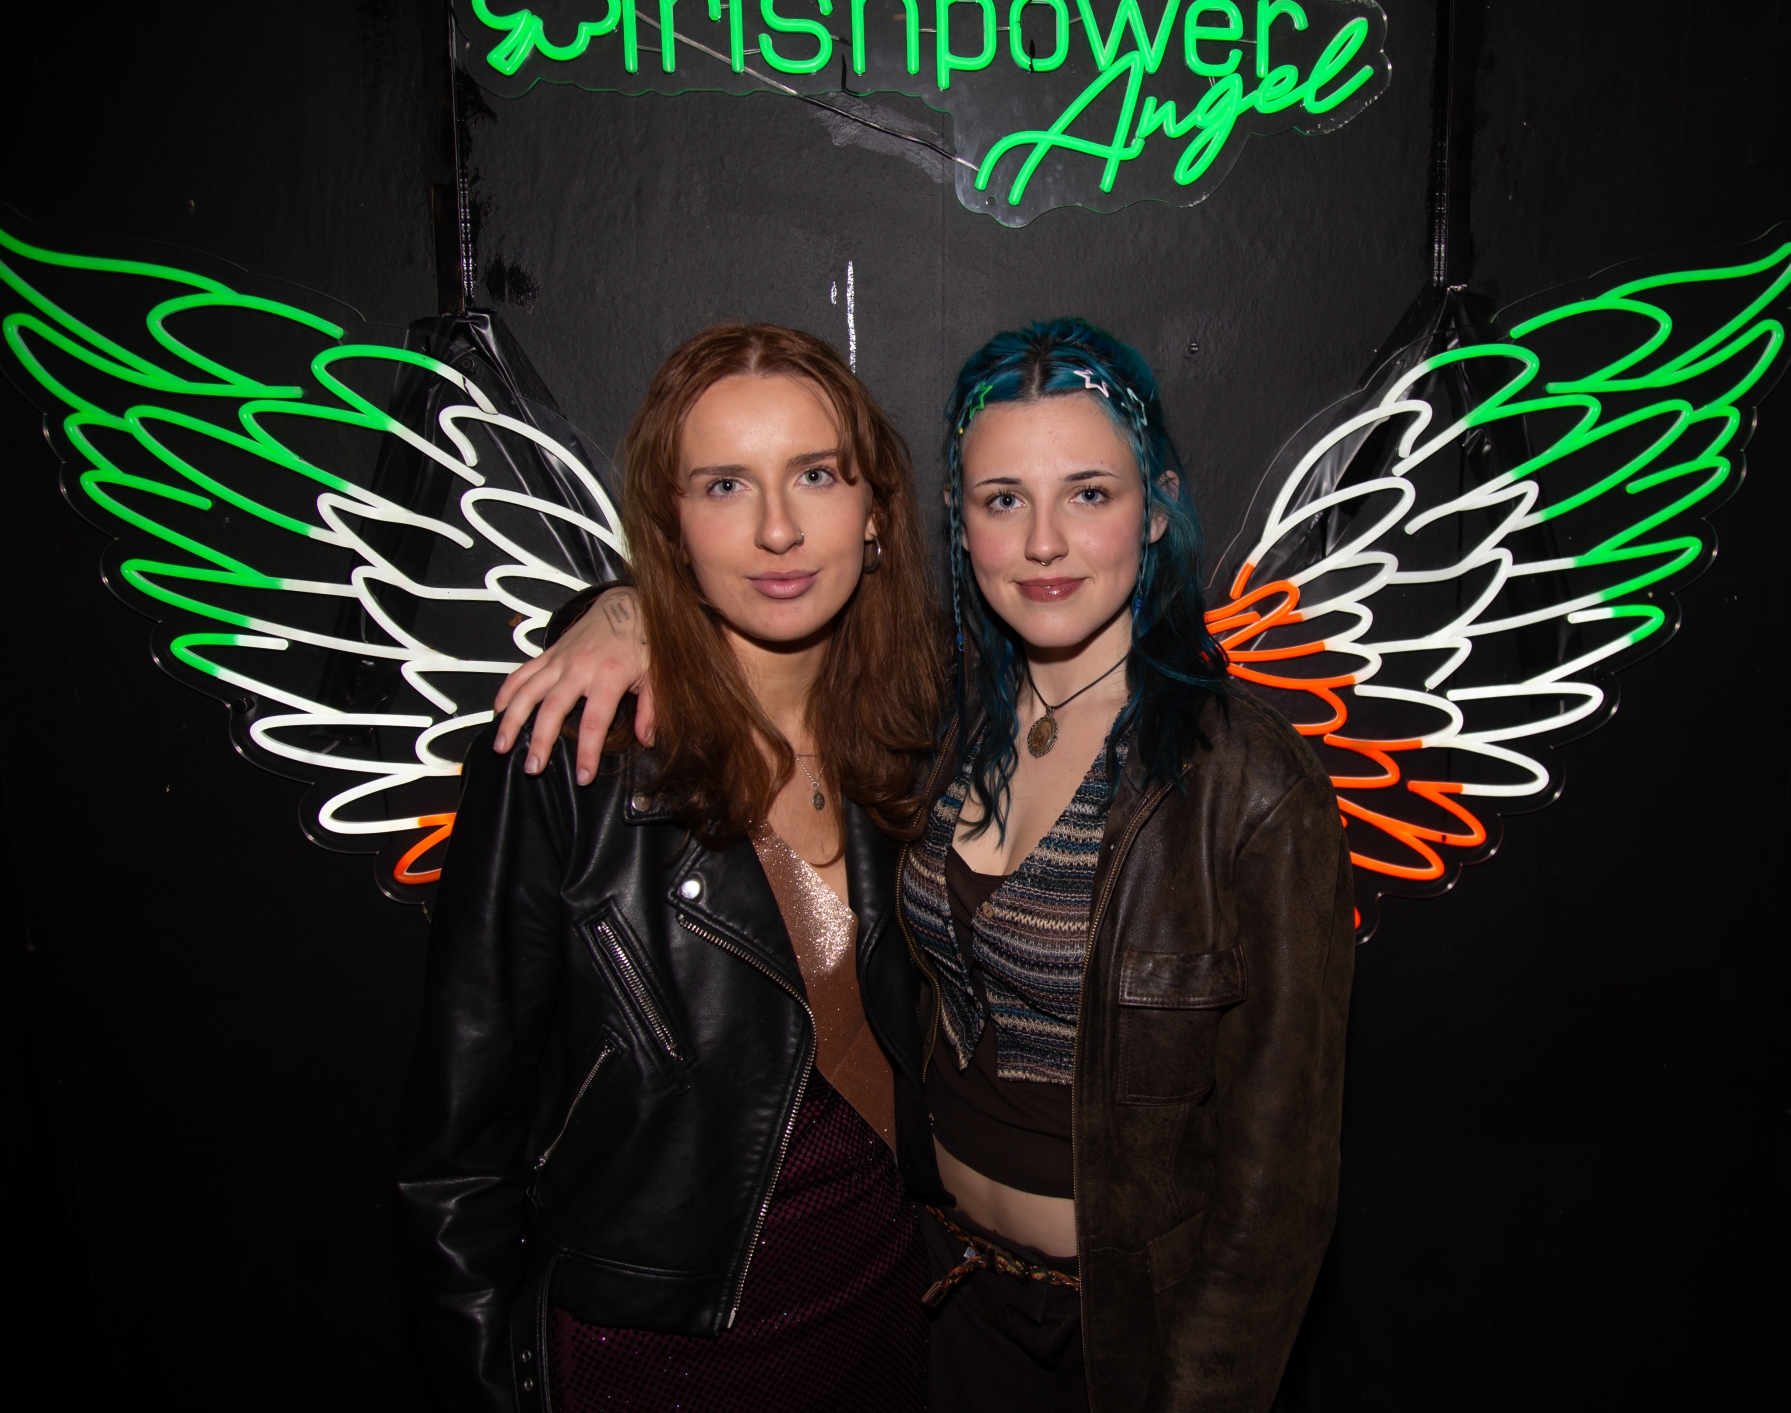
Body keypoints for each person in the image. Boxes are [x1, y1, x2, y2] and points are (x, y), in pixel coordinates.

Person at [496, 319, 1356, 1412]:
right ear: (959, 520)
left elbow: (1279, 1181)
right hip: (937, 1297)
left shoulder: (1247, 783)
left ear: (1156, 509)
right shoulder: (934, 722)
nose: (1044, 542)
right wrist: (618, 612)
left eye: (1090, 493)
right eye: (1002, 500)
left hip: (1124, 1329)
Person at [396, 323, 948, 1412]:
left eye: (817, 474)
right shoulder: (570, 759)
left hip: (888, 1327)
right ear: (672, 524)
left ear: (877, 510)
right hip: (652, 1364)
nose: (778, 528)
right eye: (725, 485)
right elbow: (455, 1155)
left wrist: (617, 604)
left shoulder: (929, 731)